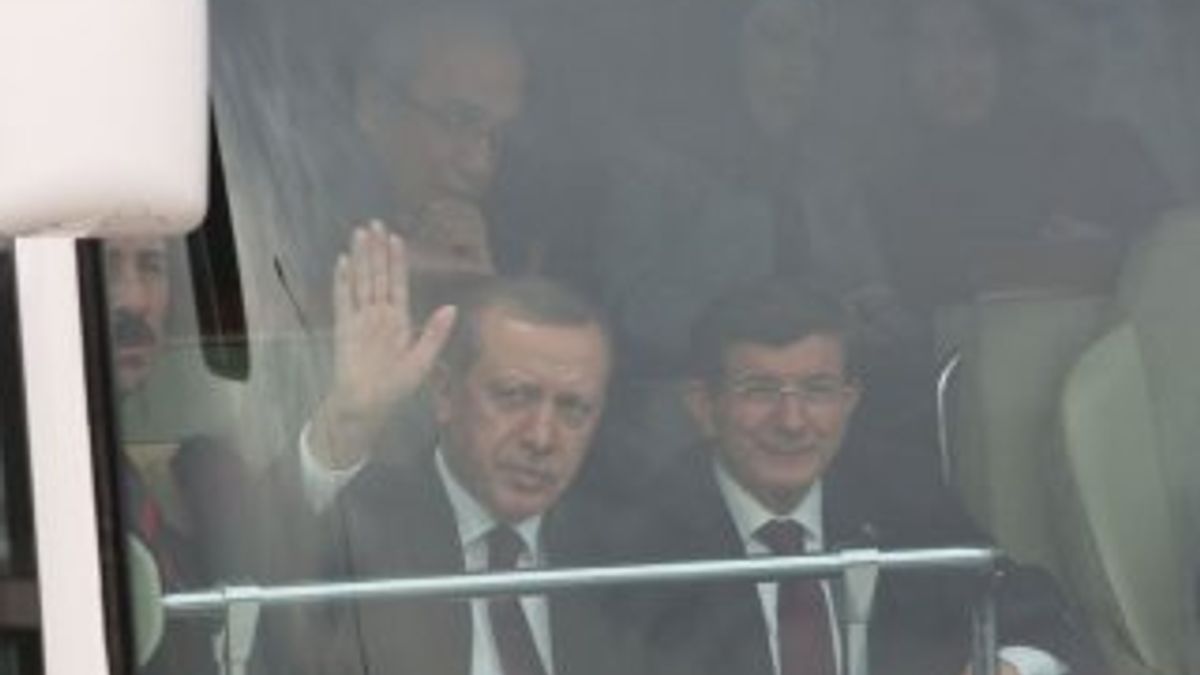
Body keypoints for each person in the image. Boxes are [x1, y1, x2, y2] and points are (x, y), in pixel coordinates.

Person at [610, 277, 1103, 675]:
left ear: (850, 402)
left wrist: (1008, 666)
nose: (792, 421)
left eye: (818, 390)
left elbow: (1034, 615)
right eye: (760, 390)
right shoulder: (641, 540)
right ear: (703, 406)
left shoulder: (901, 498)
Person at [276, 223, 628, 675]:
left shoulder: (621, 552)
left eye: (573, 409)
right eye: (513, 396)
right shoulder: (368, 524)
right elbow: (267, 554)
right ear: (444, 391)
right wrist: (350, 418)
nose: (542, 437)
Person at [106, 237, 256, 674]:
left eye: (151, 266)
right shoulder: (30, 470)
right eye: (105, 268)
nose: (134, 300)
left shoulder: (197, 477)